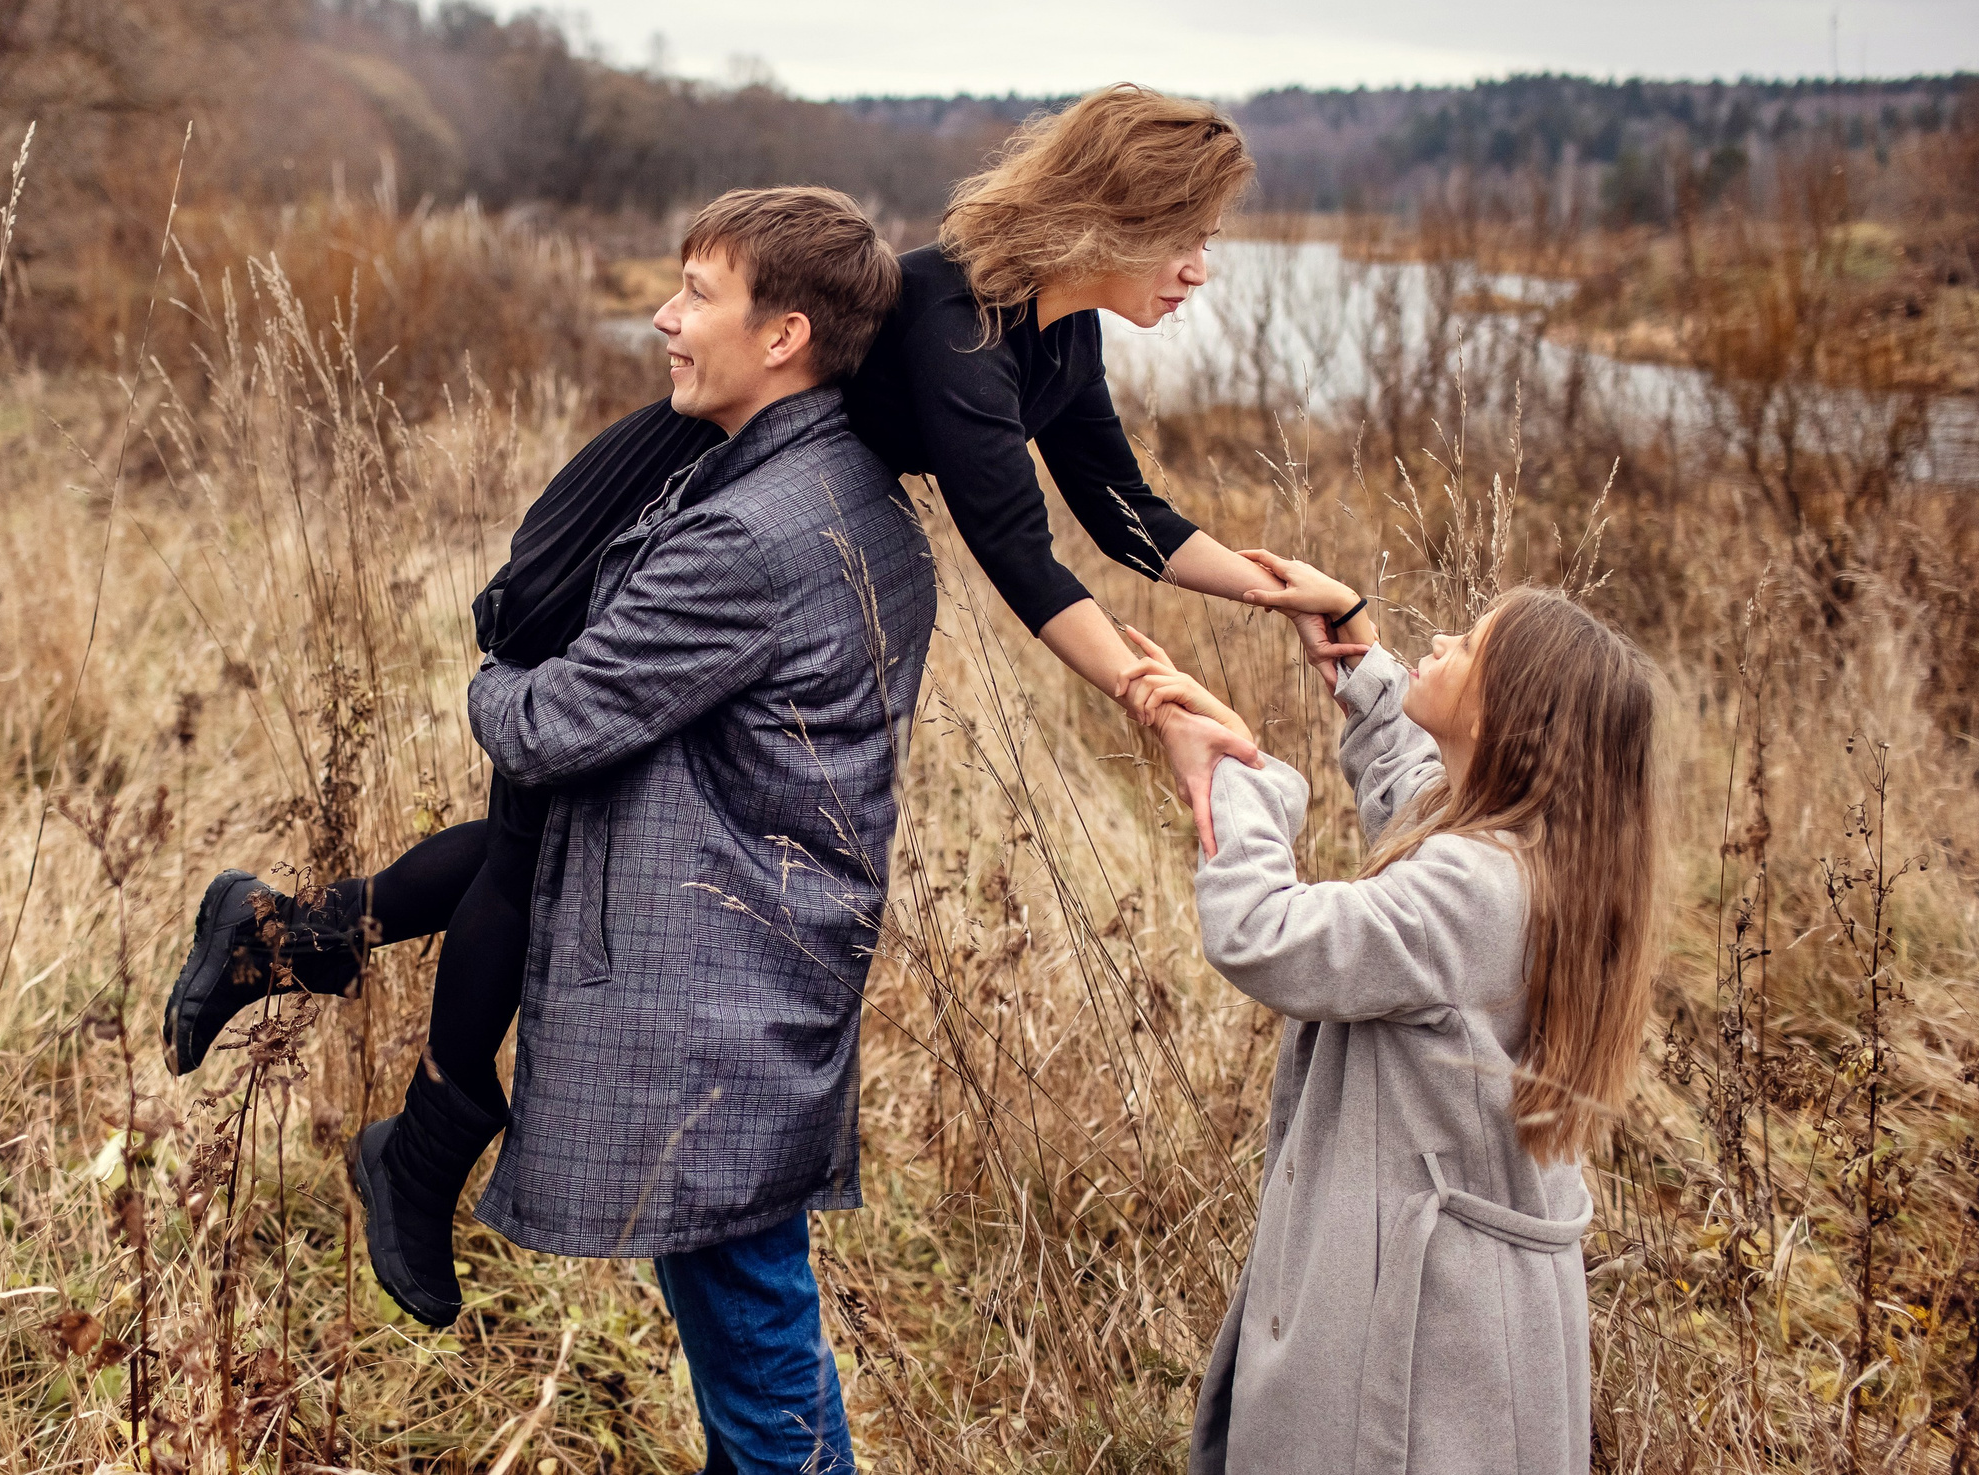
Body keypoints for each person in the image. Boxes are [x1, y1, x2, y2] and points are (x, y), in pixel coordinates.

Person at [163, 87, 1336, 1322]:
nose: (1202, 268)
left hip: (739, 500)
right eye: (1187, 235)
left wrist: (1285, 589)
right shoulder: (953, 324)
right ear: (1112, 217)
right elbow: (1018, 550)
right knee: (532, 829)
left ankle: (283, 945)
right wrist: (1157, 701)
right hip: (663, 506)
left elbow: (1124, 512)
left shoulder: (1058, 332)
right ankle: (420, 1136)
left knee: (539, 835)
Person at [367, 184, 929, 1472]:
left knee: (757, 1349)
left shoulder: (749, 533)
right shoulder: (848, 486)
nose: (665, 320)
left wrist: (488, 678)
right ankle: (307, 946)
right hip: (768, 959)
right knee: (747, 1327)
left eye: (695, 294)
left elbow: (549, 725)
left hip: (715, 993)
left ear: (783, 334)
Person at [1124, 562, 1661, 1475]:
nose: (1439, 642)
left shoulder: (1480, 888)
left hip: (1419, 1349)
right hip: (1485, 1329)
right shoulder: (1533, 858)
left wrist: (1242, 788)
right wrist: (1358, 652)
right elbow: (1422, 793)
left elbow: (1267, 933)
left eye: (1469, 645)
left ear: (1504, 720)